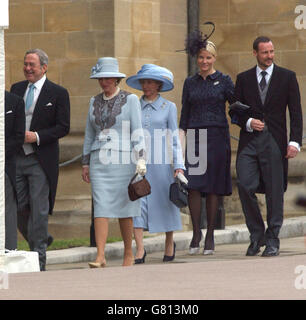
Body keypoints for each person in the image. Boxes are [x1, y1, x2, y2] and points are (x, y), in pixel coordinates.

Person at [229, 36, 303, 257]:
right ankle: (256, 235)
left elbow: (296, 113)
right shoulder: (243, 79)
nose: (269, 56)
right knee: (244, 184)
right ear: (255, 53)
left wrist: (295, 141)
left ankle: (272, 239)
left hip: (275, 141)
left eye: (271, 52)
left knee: (274, 192)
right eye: (265, 53)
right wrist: (249, 122)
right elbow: (235, 111)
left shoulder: (287, 77)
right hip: (249, 142)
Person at [82, 57, 146, 268]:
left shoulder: (132, 100)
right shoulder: (93, 101)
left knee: (125, 208)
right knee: (100, 207)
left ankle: (129, 252)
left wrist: (141, 159)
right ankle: (100, 256)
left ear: (116, 79)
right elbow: (89, 134)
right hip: (98, 162)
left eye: (108, 77)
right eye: (100, 78)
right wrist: (85, 163)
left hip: (123, 160)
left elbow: (138, 131)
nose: (104, 82)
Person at [10, 48, 70, 271]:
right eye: (25, 64)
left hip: (40, 159)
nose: (27, 68)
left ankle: (39, 261)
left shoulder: (58, 93)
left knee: (39, 209)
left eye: (31, 65)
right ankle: (42, 237)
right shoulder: (16, 89)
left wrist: (36, 136)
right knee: (15, 207)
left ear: (44, 67)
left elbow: (63, 127)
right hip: (16, 158)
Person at [179, 30, 235, 255]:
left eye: (208, 57)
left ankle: (210, 235)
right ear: (197, 58)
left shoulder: (224, 80)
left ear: (215, 58)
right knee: (192, 185)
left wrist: (250, 121)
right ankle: (196, 233)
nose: (204, 61)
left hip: (217, 137)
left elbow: (237, 105)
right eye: (201, 57)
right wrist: (179, 143)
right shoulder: (190, 83)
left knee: (212, 188)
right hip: (194, 138)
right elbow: (185, 113)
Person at [126, 64, 186, 263]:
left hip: (162, 163)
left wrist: (179, 165)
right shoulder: (133, 105)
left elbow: (175, 139)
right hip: (138, 161)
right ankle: (140, 249)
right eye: (143, 82)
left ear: (159, 84)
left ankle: (169, 243)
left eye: (150, 82)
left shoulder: (168, 107)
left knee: (165, 203)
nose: (146, 86)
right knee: (137, 203)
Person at [4, 91, 25, 250]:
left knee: (8, 212)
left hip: (5, 166)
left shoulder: (15, 101)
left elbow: (18, 137)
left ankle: (9, 251)